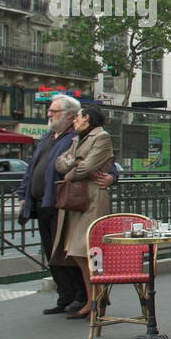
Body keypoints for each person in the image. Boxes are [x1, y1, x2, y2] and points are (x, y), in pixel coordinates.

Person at [18, 95, 104, 313]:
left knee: (67, 251)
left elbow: (97, 166)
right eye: (49, 110)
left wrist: (111, 177)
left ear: (69, 115)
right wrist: (22, 195)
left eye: (53, 111)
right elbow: (34, 168)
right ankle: (65, 294)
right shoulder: (48, 137)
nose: (49, 113)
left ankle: (80, 295)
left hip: (62, 202)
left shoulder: (77, 138)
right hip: (41, 202)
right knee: (51, 251)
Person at [52, 104, 113, 318]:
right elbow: (60, 163)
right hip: (77, 202)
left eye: (77, 117)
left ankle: (97, 298)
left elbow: (86, 168)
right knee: (77, 252)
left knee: (89, 251)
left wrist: (71, 169)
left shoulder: (101, 137)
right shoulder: (77, 138)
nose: (74, 121)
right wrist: (74, 162)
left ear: (86, 118)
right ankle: (94, 297)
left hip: (91, 201)